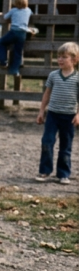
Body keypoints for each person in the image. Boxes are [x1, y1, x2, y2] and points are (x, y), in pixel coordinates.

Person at [35, 42, 79, 185]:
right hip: (53, 114)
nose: (60, 60)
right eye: (58, 57)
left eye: (64, 57)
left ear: (74, 59)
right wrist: (41, 111)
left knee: (65, 146)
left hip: (69, 116)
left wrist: (78, 114)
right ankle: (45, 170)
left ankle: (63, 173)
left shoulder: (77, 78)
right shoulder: (53, 75)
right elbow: (47, 94)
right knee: (47, 142)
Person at [0, 0, 33, 76]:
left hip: (14, 32)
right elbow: (31, 15)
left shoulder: (13, 10)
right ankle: (15, 70)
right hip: (23, 34)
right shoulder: (28, 10)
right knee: (18, 52)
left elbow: (5, 17)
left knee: (1, 43)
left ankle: (3, 61)